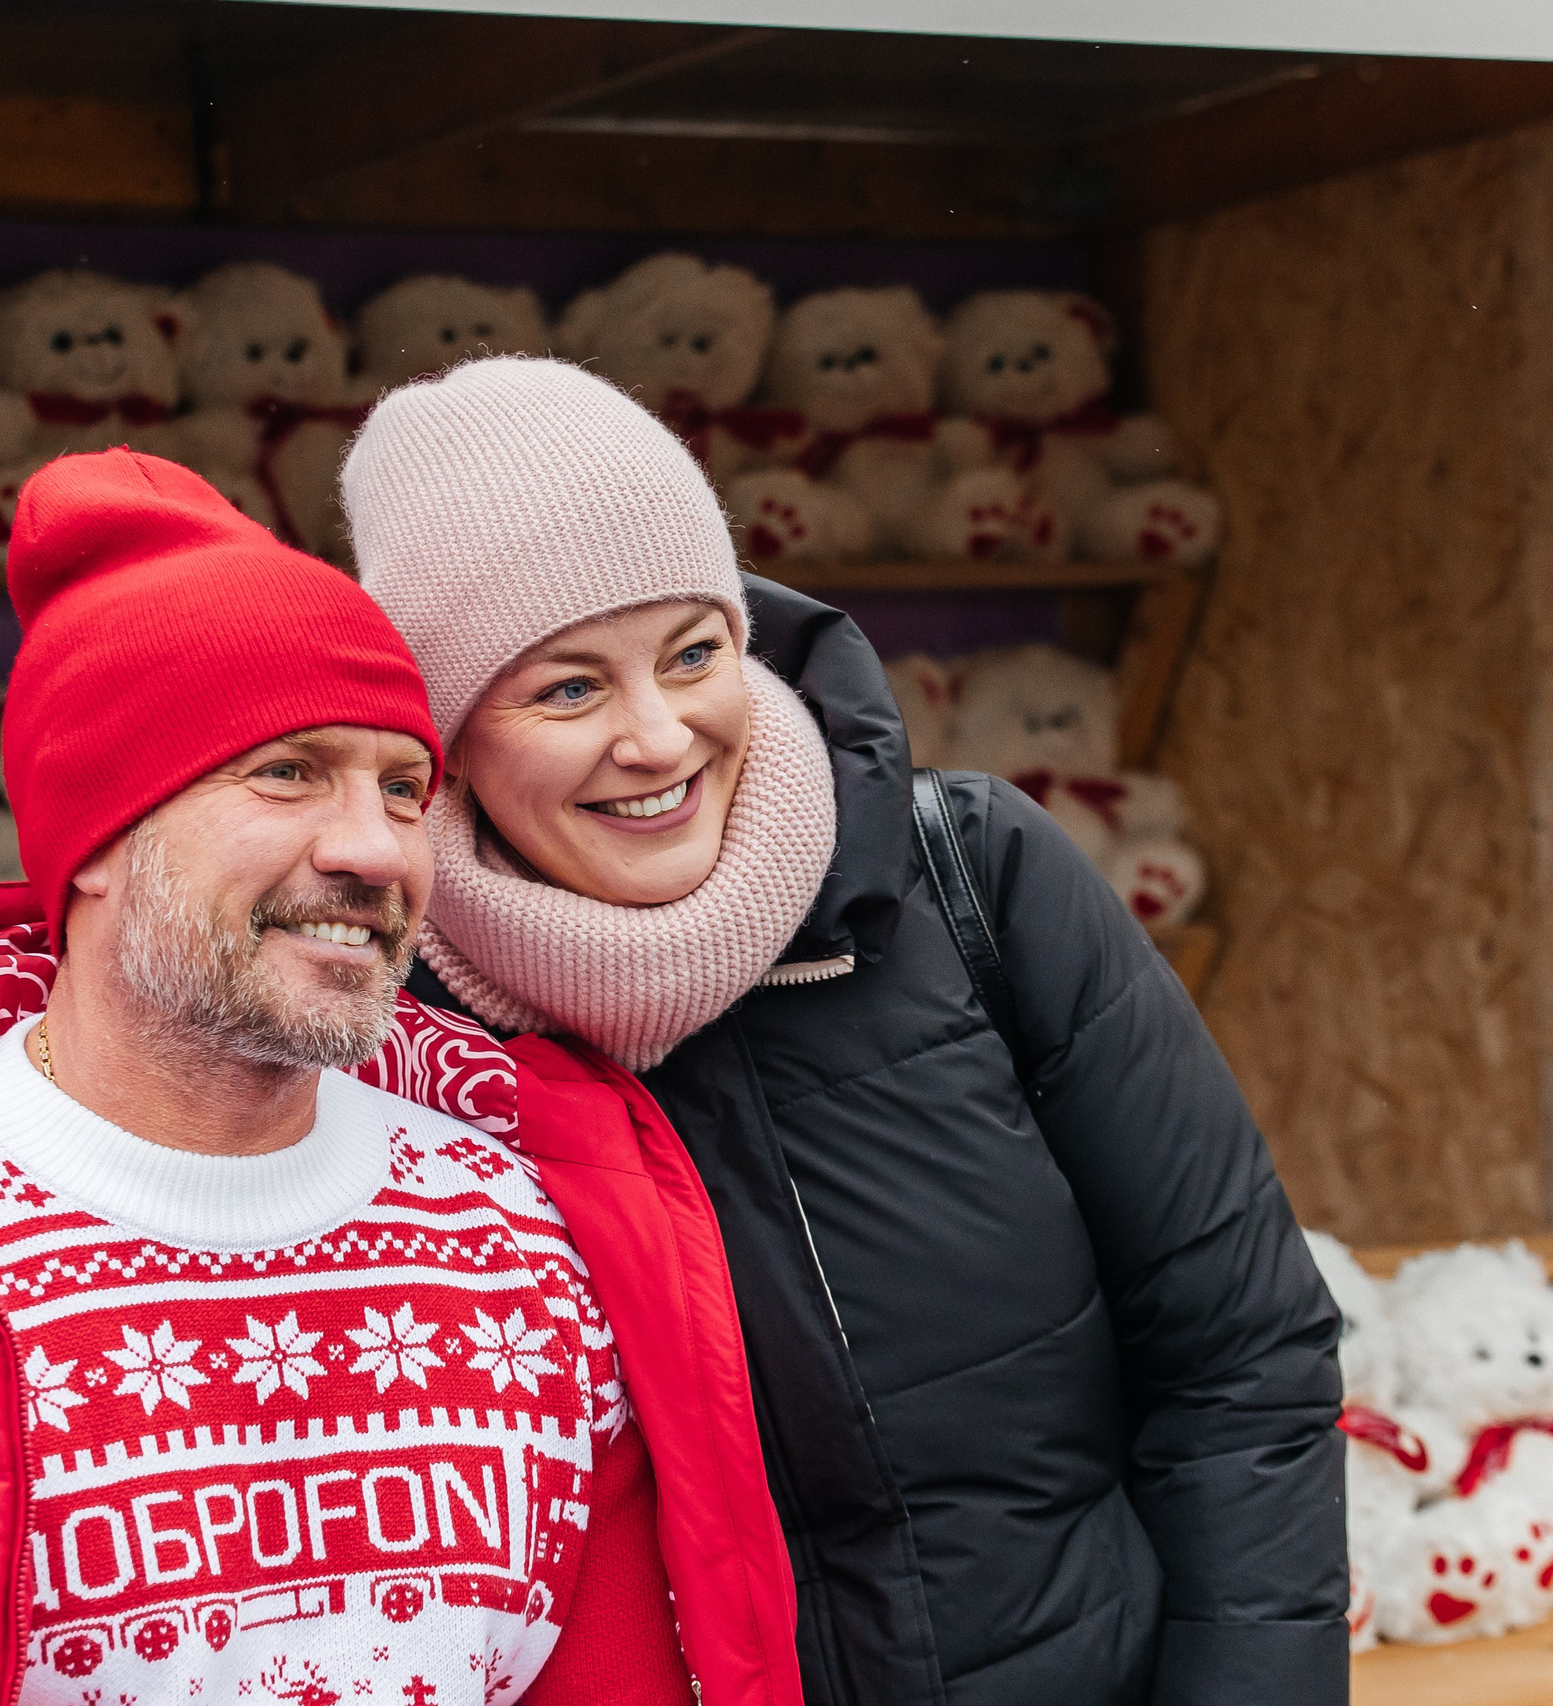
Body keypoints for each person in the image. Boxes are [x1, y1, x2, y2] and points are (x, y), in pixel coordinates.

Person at [0, 451, 801, 1706]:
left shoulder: (537, 1240)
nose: (373, 847)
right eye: (288, 773)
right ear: (100, 837)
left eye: (406, 789)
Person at [344, 359, 1349, 1706]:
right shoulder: (396, 1040)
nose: (659, 736)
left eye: (694, 652)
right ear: (449, 737)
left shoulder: (976, 884)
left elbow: (1239, 1354)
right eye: (569, 689)